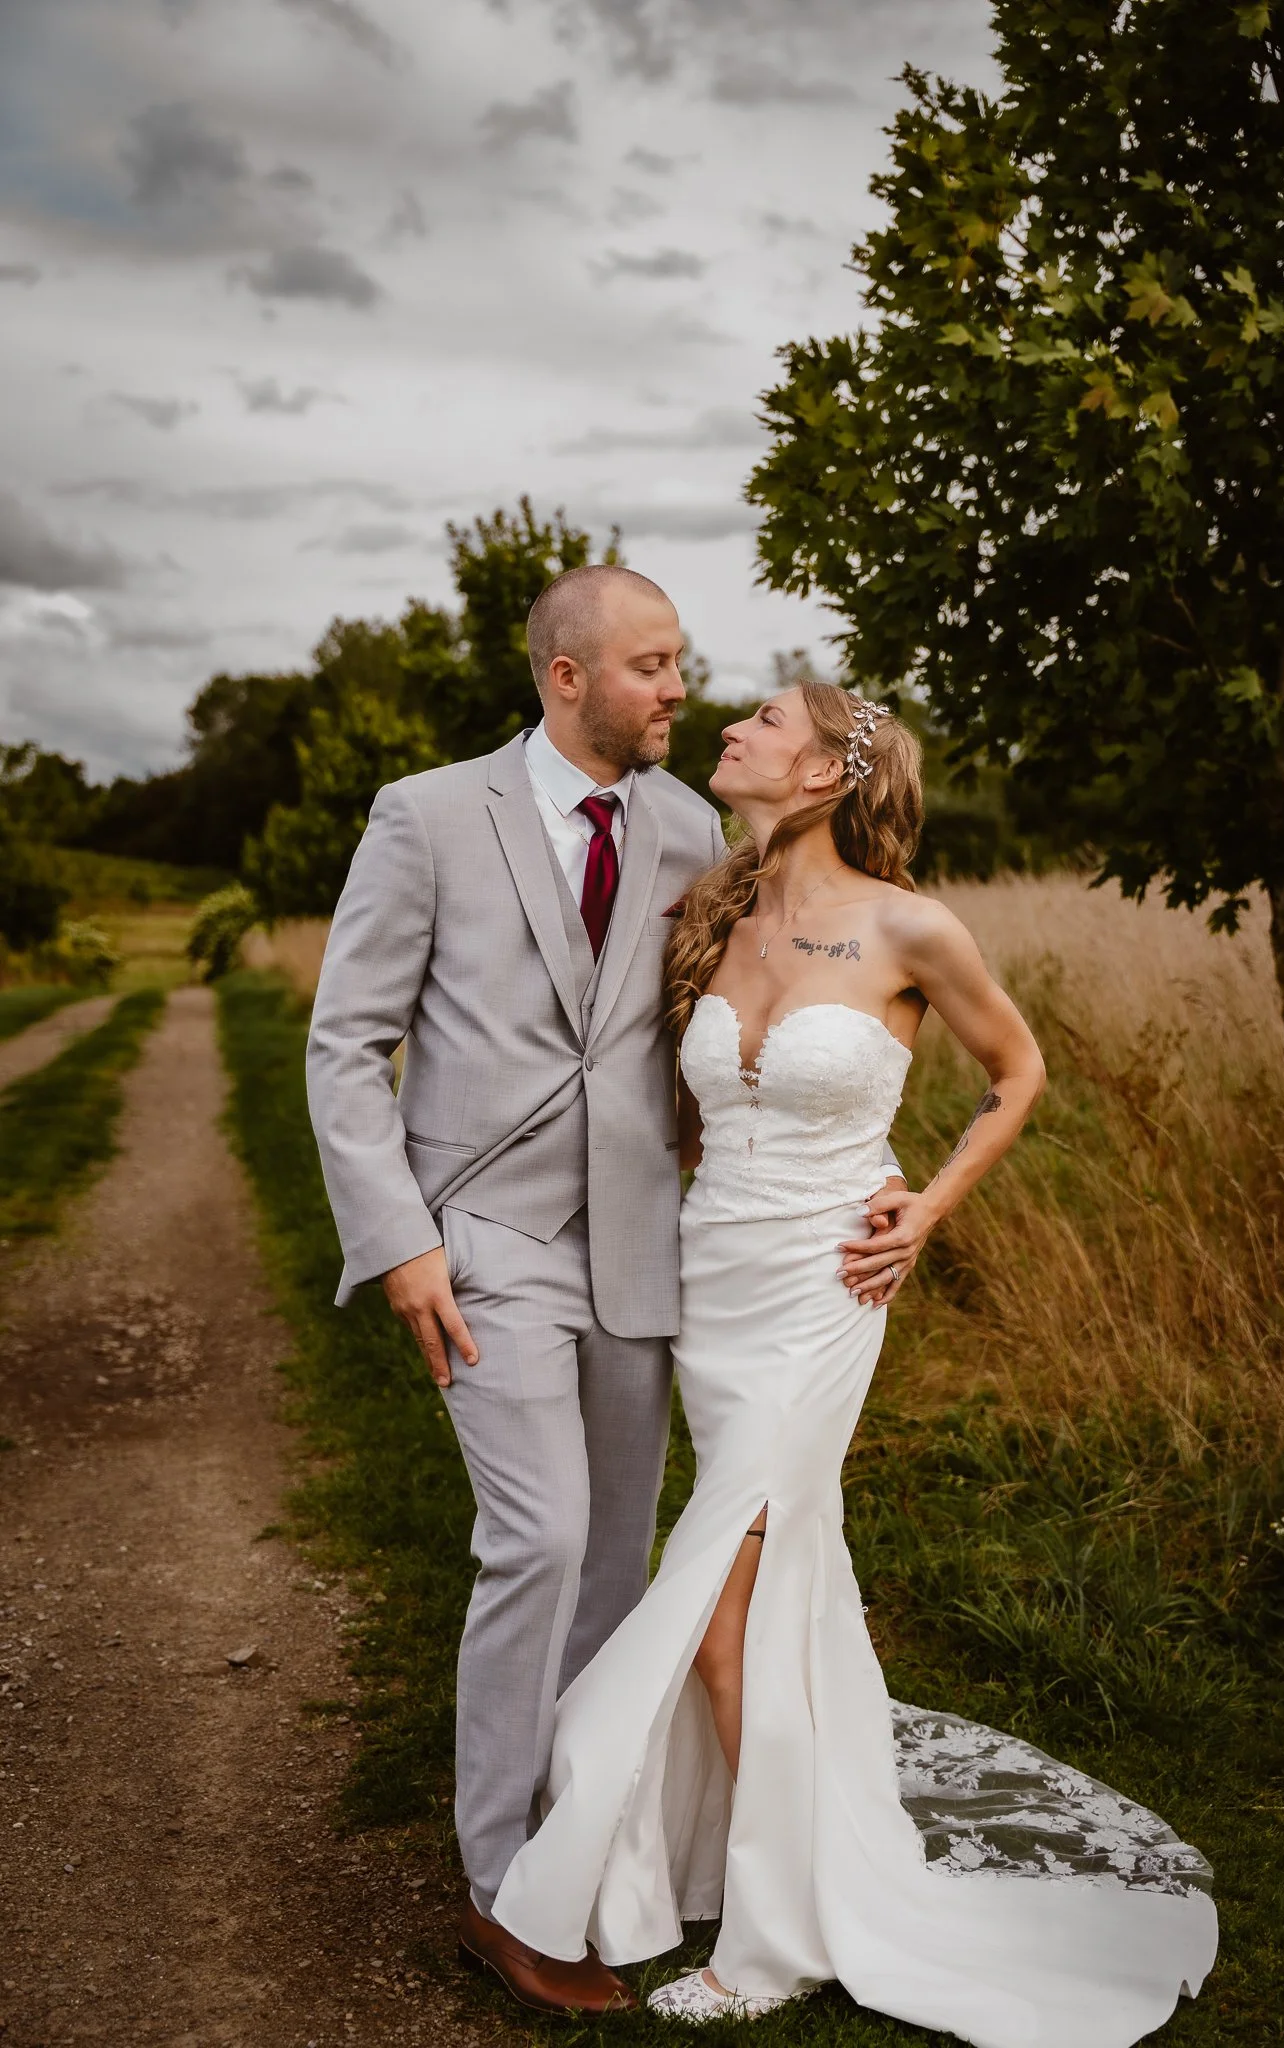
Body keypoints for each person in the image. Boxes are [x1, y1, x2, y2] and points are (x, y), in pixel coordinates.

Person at [490, 682, 1219, 2046]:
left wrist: (925, 1209)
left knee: (720, 1593)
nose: (730, 728)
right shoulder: (712, 911)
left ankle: (775, 1934)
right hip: (712, 1280)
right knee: (769, 1578)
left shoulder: (909, 924)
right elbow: (673, 1106)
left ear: (826, 769)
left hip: (827, 1284)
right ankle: (733, 1857)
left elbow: (1018, 1072)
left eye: (763, 719)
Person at [304, 571, 909, 2017]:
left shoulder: (692, 831)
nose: (676, 689)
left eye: (681, 663)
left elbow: (783, 1020)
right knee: (542, 1534)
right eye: (649, 666)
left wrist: (875, 1177)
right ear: (565, 678)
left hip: (648, 1245)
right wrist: (400, 1241)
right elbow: (345, 1045)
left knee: (620, 1561)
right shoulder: (427, 814)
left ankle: (589, 1846)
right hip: (484, 1236)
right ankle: (502, 1887)